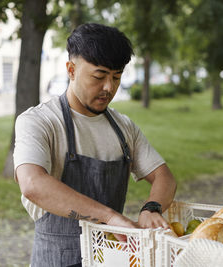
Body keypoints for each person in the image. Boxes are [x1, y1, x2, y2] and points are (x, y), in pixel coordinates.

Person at [14, 23, 177, 267]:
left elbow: (164, 176)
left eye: (116, 77)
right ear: (71, 69)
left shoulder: (124, 127)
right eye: (99, 76)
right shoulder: (39, 121)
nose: (109, 88)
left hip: (111, 260)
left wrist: (151, 208)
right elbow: (32, 184)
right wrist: (109, 217)